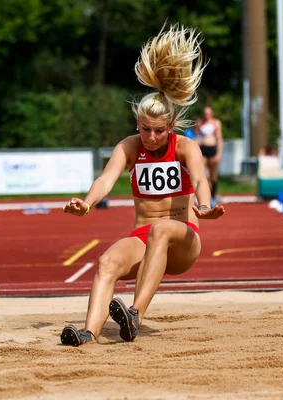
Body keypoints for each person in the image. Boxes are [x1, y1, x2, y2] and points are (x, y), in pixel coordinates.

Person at [59, 24, 225, 346]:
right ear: (138, 124)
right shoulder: (129, 146)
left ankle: (134, 313)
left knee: (161, 228)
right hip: (143, 237)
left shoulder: (185, 147)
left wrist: (204, 206)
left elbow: (202, 179)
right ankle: (88, 332)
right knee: (107, 261)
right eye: (145, 129)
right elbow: (106, 179)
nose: (151, 137)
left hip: (183, 237)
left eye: (159, 131)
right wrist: (87, 204)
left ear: (171, 126)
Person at [195, 106, 223, 205]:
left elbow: (219, 139)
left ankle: (214, 196)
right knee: (203, 175)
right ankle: (206, 197)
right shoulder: (200, 123)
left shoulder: (216, 123)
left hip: (213, 149)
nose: (207, 115)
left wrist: (219, 154)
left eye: (208, 113)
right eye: (205, 113)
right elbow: (198, 137)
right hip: (203, 149)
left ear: (212, 113)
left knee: (213, 175)